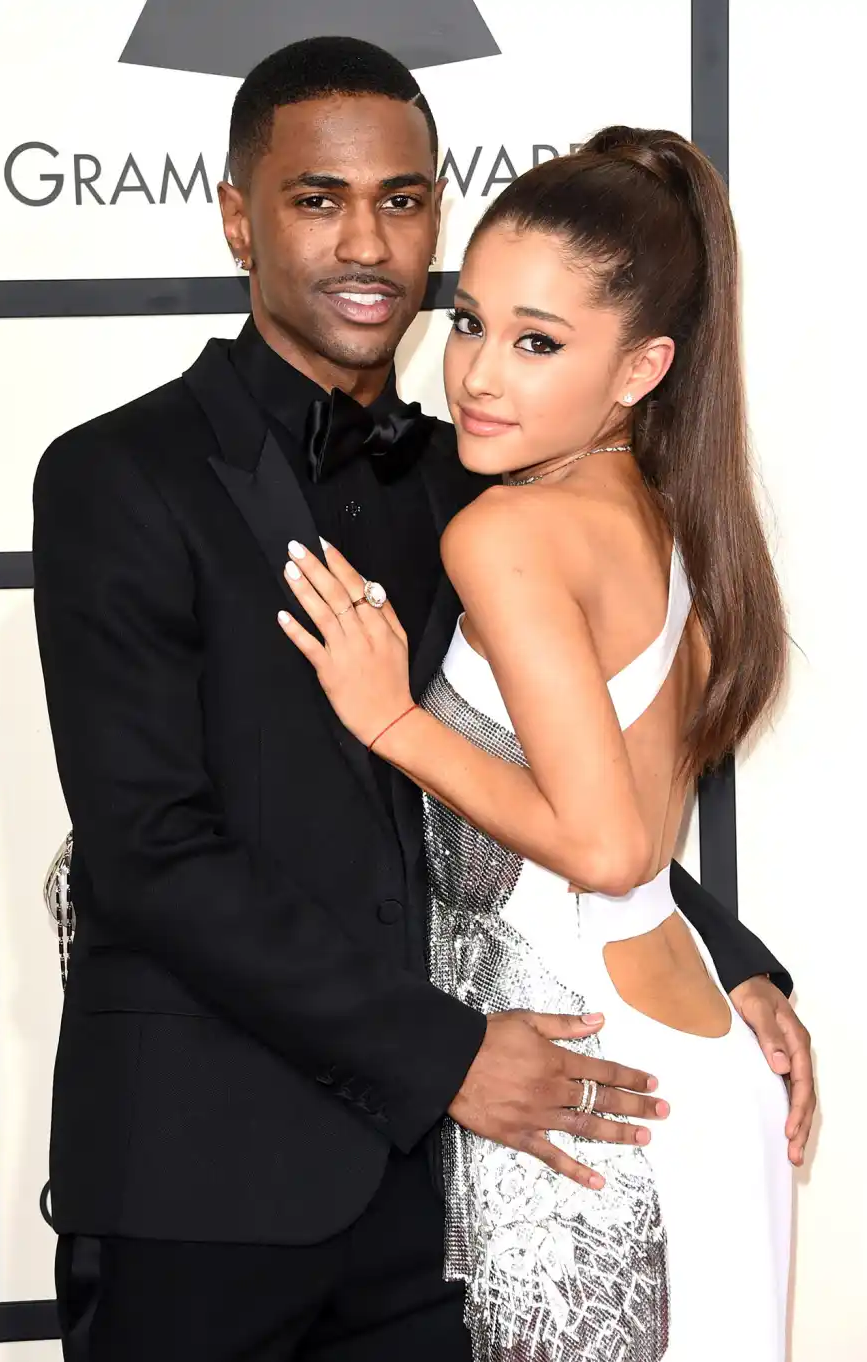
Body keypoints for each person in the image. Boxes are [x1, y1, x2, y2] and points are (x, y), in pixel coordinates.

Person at [32, 36, 811, 1362]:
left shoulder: (484, 478)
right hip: (201, 1176)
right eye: (316, 199)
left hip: (432, 1208)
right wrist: (443, 1053)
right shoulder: (116, 476)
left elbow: (547, 776)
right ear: (237, 219)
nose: (367, 241)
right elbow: (150, 853)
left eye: (400, 200)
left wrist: (726, 956)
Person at [279, 126, 797, 1360]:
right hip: (685, 1060)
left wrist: (392, 719)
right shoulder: (664, 516)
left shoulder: (505, 533)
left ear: (644, 366)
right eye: (469, 322)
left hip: (597, 1095)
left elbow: (611, 847)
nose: (477, 374)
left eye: (538, 342)